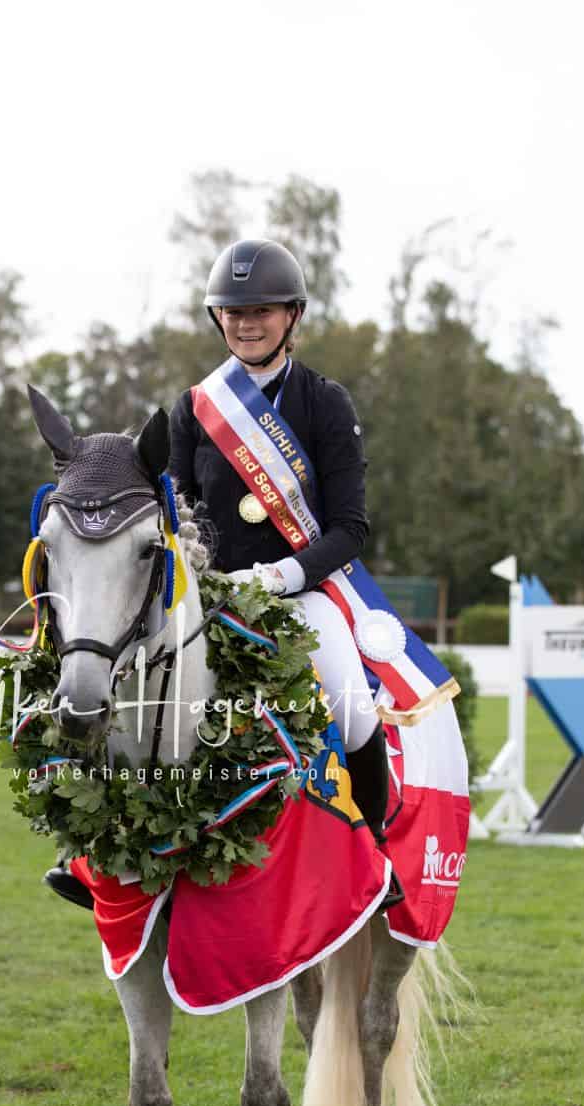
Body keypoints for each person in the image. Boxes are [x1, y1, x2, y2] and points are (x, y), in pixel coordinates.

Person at [168, 238, 394, 864]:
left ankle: (375, 855)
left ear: (292, 315)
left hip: (301, 598)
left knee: (352, 709)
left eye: (262, 311)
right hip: (210, 603)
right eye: (234, 312)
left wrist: (280, 577)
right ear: (218, 318)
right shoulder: (194, 408)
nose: (247, 324)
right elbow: (174, 513)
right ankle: (95, 856)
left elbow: (349, 527)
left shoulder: (325, 402)